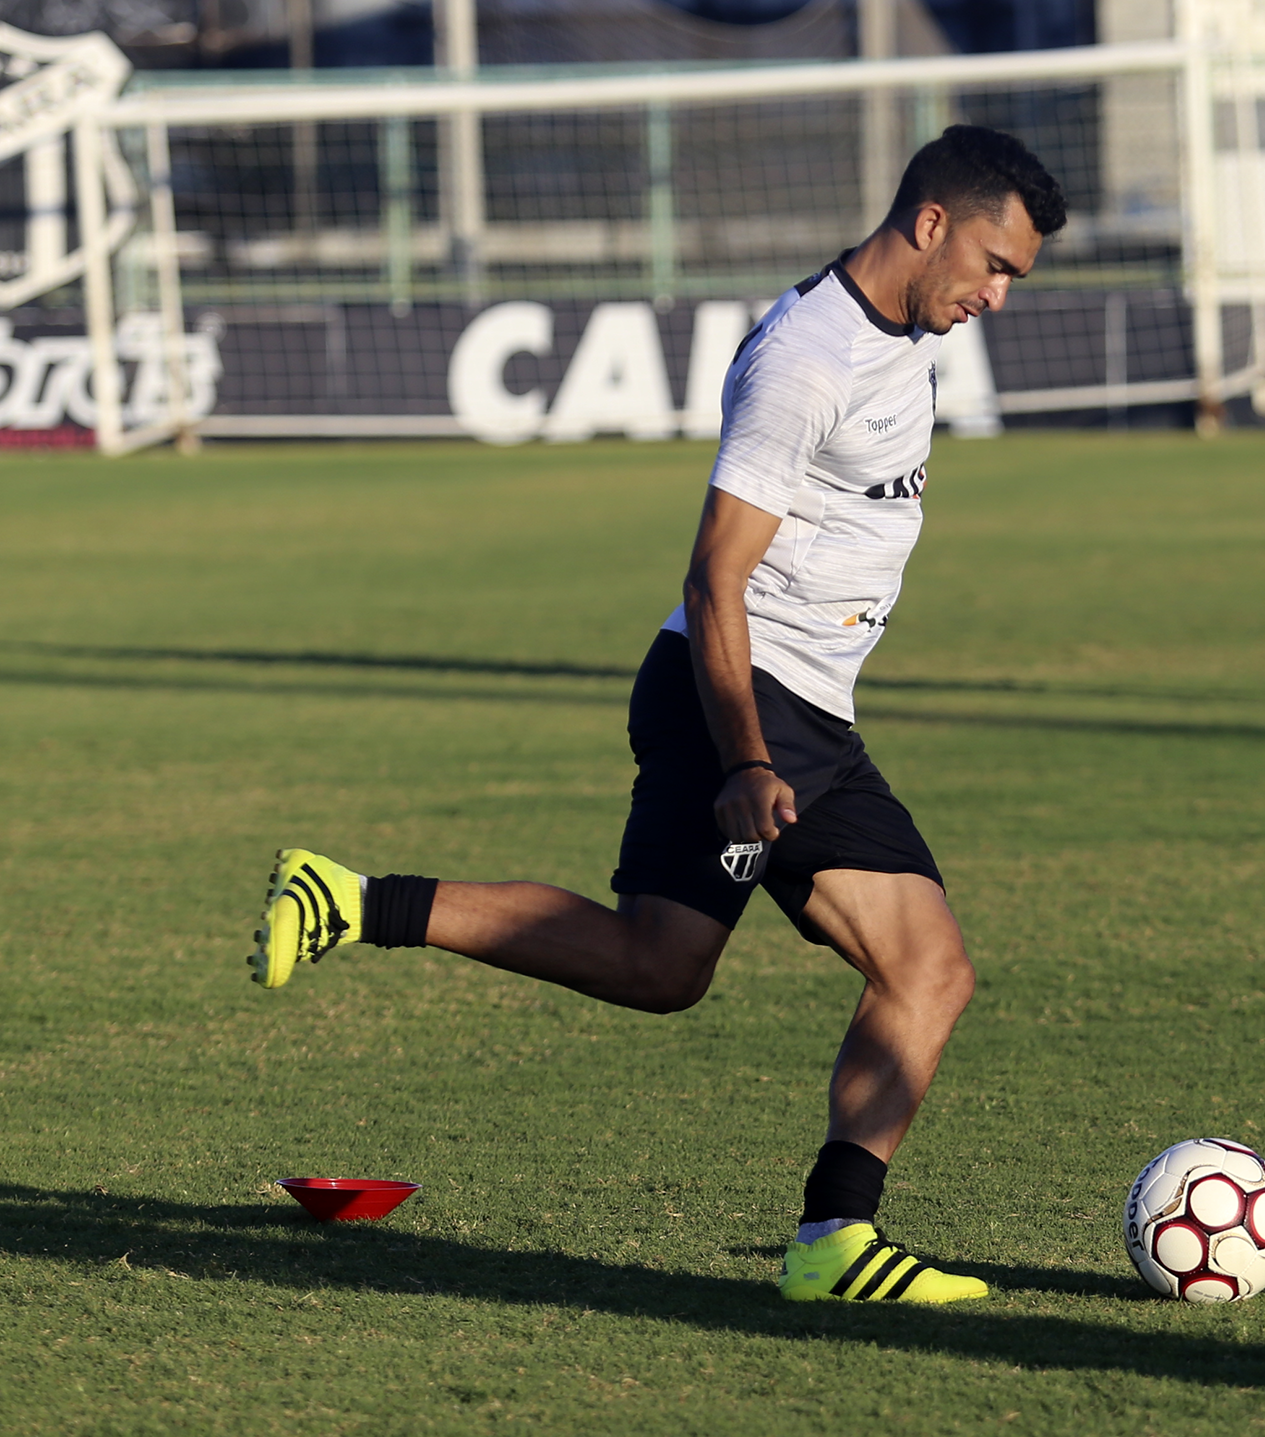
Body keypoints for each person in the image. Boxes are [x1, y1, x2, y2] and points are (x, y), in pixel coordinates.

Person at [248, 125, 1066, 1306]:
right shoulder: (806, 360)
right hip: (740, 702)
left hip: (808, 711)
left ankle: (832, 1241)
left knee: (795, 967)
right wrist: (743, 761)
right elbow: (714, 577)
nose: (996, 296)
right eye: (993, 265)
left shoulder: (905, 335)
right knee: (788, 966)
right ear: (930, 222)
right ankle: (359, 901)